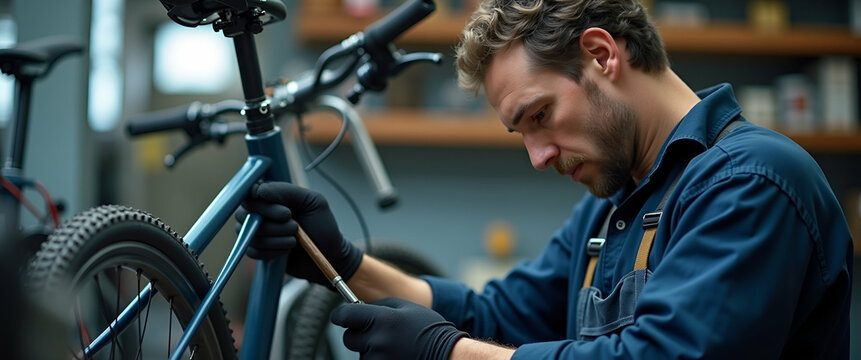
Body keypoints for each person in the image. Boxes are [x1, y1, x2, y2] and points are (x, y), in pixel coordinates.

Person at [237, 0, 853, 358]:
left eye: (539, 117)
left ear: (602, 55)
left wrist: (447, 354)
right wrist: (342, 263)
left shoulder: (751, 181)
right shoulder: (612, 207)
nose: (536, 155)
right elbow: (498, 314)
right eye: (521, 132)